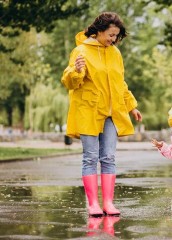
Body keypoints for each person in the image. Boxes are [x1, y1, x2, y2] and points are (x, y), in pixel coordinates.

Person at [61, 12, 142, 217]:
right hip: (89, 110)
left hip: (111, 112)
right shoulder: (80, 51)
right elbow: (69, 82)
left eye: (116, 36)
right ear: (99, 31)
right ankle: (93, 204)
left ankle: (108, 203)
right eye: (110, 35)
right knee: (90, 157)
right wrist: (76, 71)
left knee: (109, 157)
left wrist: (131, 106)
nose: (113, 39)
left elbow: (120, 83)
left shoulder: (115, 53)